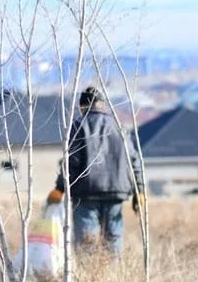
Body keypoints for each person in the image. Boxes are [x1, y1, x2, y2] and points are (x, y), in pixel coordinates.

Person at [46, 87, 144, 255]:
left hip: (86, 194)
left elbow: (71, 162)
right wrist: (139, 191)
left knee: (86, 245)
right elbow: (133, 160)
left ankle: (89, 276)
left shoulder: (78, 126)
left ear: (82, 106)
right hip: (115, 193)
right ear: (102, 105)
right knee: (113, 242)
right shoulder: (119, 127)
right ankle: (113, 277)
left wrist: (59, 188)